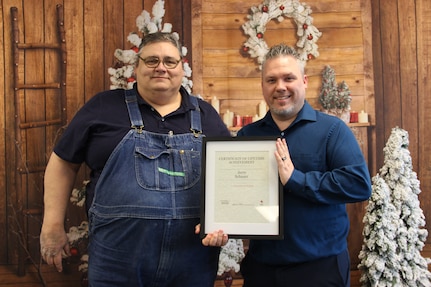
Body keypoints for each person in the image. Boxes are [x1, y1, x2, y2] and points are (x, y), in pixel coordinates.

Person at [40, 32, 228, 287]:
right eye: (151, 60)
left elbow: (228, 176)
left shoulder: (206, 115)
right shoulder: (103, 107)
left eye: (170, 61)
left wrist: (223, 222)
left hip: (191, 261)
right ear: (136, 67)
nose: (161, 67)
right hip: (116, 262)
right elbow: (63, 162)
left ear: (181, 69)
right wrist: (52, 225)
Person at [236, 44, 372, 287]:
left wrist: (295, 179)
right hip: (262, 270)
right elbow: (238, 194)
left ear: (304, 81)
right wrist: (220, 221)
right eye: (271, 80)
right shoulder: (248, 134)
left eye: (289, 78)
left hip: (319, 270)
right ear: (263, 86)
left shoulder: (332, 130)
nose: (280, 87)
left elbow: (359, 184)